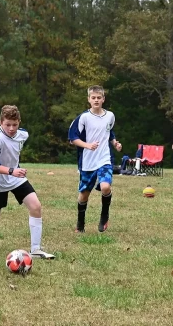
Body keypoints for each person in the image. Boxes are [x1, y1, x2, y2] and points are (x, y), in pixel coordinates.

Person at [0, 105, 55, 259]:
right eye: (7, 125)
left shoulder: (22, 135)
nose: (11, 128)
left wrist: (14, 171)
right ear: (0, 122)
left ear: (19, 122)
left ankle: (35, 250)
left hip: (16, 177)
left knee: (36, 206)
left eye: (14, 125)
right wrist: (11, 170)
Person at [68, 85, 122, 233]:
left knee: (105, 187)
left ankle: (104, 216)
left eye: (99, 97)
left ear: (103, 99)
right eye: (93, 98)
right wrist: (87, 145)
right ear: (89, 100)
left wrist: (115, 143)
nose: (96, 100)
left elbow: (109, 132)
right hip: (87, 161)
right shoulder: (83, 118)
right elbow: (72, 138)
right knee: (84, 195)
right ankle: (80, 224)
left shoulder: (110, 116)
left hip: (104, 159)